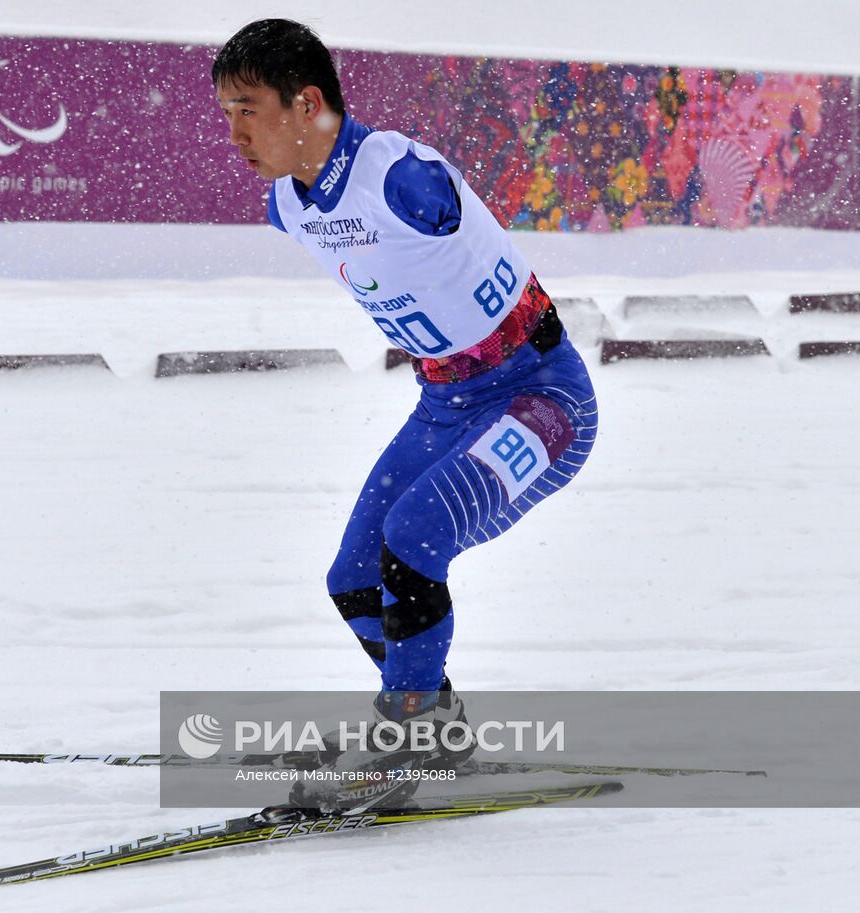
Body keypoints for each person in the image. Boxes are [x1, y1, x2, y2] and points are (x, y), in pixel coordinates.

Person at [212, 20, 598, 810]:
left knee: (417, 535)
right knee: (352, 578)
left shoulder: (401, 178)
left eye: (248, 109)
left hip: (542, 398)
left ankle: (408, 738)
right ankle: (435, 724)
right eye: (225, 112)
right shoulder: (287, 204)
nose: (234, 132)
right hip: (443, 404)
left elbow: (441, 210)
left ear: (307, 102)